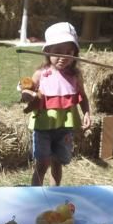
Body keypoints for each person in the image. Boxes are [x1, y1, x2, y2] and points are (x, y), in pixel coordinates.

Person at [21, 22, 92, 186]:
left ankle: (54, 193)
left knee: (57, 162)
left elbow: (83, 97)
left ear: (75, 53)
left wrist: (87, 113)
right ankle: (35, 193)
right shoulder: (41, 74)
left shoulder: (75, 76)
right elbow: (27, 90)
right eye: (58, 52)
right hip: (43, 127)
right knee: (42, 163)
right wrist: (27, 95)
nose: (63, 57)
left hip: (64, 128)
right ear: (48, 52)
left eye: (69, 52)